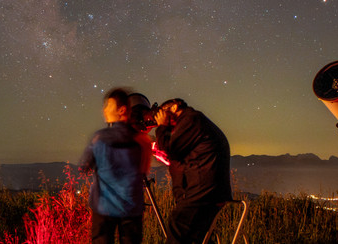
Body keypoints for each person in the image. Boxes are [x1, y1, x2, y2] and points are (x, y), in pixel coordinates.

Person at [153, 98, 232, 244]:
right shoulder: (194, 122)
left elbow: (172, 149)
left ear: (175, 106)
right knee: (197, 238)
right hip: (209, 191)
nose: (161, 117)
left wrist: (162, 127)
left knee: (178, 226)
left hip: (203, 191)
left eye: (164, 112)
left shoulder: (191, 119)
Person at [80, 88, 153, 244]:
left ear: (122, 110)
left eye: (108, 106)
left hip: (104, 207)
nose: (104, 110)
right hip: (132, 208)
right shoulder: (143, 141)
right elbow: (144, 169)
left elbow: (84, 166)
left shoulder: (99, 138)